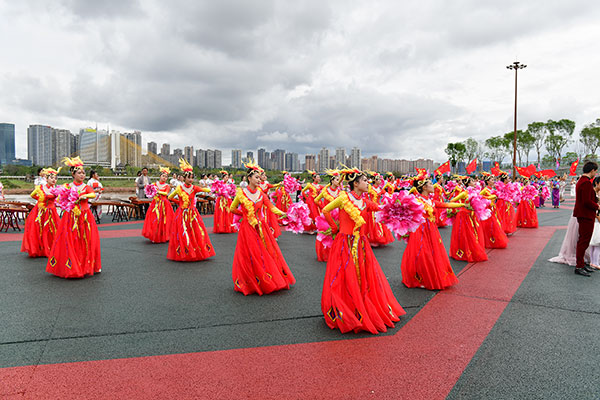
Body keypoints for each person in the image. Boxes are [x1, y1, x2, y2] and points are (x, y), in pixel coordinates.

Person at [321, 167, 405, 334]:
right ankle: (347, 309)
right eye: (365, 181)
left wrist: (399, 205)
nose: (368, 183)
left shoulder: (366, 202)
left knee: (363, 276)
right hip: (344, 242)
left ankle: (361, 306)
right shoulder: (343, 198)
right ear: (356, 183)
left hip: (361, 244)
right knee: (344, 276)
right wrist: (334, 227)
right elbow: (325, 210)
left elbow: (381, 208)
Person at [229, 161, 295, 295]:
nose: (259, 180)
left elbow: (272, 208)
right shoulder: (241, 194)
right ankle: (251, 280)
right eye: (257, 177)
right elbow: (232, 208)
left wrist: (285, 213)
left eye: (260, 178)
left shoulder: (261, 194)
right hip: (247, 228)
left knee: (265, 252)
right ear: (249, 178)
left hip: (261, 227)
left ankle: (266, 278)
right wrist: (246, 214)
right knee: (250, 253)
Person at [401, 176, 464, 290]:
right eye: (430, 184)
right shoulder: (416, 200)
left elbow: (446, 204)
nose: (433, 185)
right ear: (424, 187)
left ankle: (429, 275)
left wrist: (462, 205)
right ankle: (419, 277)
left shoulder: (431, 201)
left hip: (432, 230)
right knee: (421, 253)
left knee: (432, 253)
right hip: (420, 230)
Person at [46, 157, 102, 278]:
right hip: (70, 217)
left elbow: (92, 193)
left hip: (85, 216)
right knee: (70, 240)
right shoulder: (67, 186)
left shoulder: (86, 186)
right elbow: (58, 195)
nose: (82, 175)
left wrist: (84, 196)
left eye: (83, 173)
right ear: (73, 173)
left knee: (86, 239)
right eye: (79, 173)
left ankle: (85, 265)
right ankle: (71, 266)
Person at [167, 159, 215, 262]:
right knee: (183, 231)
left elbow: (205, 190)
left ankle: (196, 251)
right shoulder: (179, 188)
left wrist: (212, 187)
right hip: (182, 213)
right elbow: (170, 197)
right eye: (189, 178)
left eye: (192, 178)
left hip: (192, 213)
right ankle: (184, 252)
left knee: (195, 231)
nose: (191, 180)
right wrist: (179, 203)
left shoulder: (194, 188)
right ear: (184, 178)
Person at [21, 167, 60, 257]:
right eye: (52, 178)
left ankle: (50, 247)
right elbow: (32, 195)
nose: (54, 180)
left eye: (55, 178)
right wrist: (40, 199)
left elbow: (59, 200)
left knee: (50, 230)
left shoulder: (56, 189)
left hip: (51, 211)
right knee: (39, 229)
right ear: (46, 179)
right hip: (40, 211)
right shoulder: (41, 187)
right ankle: (39, 248)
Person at [449, 176, 488, 262]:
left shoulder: (475, 192)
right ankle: (465, 251)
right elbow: (452, 201)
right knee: (466, 234)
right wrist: (460, 206)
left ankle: (473, 250)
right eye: (473, 182)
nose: (475, 183)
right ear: (468, 183)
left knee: (474, 232)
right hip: (463, 215)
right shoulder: (464, 193)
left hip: (472, 215)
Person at [573, 161, 599, 277]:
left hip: (583, 214)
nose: (596, 173)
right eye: (595, 170)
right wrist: (597, 206)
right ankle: (579, 265)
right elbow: (586, 201)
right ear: (592, 170)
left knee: (584, 240)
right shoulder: (586, 183)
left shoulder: (582, 181)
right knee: (584, 241)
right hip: (586, 215)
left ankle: (581, 264)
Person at [314, 169, 342, 262]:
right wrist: (323, 208)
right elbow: (316, 200)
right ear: (332, 180)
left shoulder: (340, 192)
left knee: (337, 234)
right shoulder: (325, 191)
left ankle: (337, 254)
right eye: (337, 179)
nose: (339, 181)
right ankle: (325, 254)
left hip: (337, 216)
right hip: (327, 216)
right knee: (326, 235)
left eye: (340, 180)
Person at [142, 166, 175, 243]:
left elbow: (166, 193)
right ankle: (154, 235)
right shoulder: (154, 184)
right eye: (163, 176)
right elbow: (149, 191)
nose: (164, 178)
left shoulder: (167, 186)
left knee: (164, 220)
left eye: (166, 177)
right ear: (160, 176)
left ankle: (164, 236)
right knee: (155, 219)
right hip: (155, 204)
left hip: (164, 204)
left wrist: (157, 191)